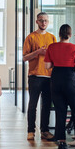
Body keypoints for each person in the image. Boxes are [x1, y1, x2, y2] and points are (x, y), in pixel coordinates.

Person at [44, 24, 75, 149]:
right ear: (70, 35)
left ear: (59, 34)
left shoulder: (51, 47)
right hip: (70, 79)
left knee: (61, 111)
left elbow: (47, 66)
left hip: (56, 79)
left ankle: (61, 141)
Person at [23, 12, 56, 141]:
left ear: (48, 22)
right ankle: (30, 130)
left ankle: (45, 130)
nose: (44, 23)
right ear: (37, 21)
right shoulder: (30, 37)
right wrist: (38, 52)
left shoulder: (52, 38)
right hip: (35, 76)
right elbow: (25, 57)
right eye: (41, 20)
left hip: (49, 76)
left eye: (46, 21)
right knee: (32, 105)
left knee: (46, 105)